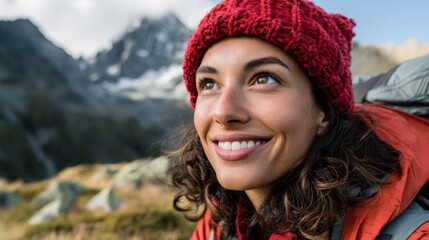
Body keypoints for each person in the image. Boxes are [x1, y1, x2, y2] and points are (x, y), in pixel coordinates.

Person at [169, 0, 429, 239]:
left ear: (323, 112)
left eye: (264, 79)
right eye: (209, 83)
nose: (223, 112)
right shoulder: (221, 216)